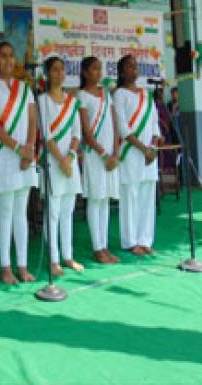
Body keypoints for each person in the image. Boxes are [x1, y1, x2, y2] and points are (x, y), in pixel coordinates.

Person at [0, 42, 39, 284]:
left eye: (11, 56)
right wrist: (19, 149)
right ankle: (6, 267)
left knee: (21, 213)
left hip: (25, 156)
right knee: (5, 212)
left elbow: (33, 121)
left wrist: (30, 150)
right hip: (4, 156)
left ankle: (23, 265)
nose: (8, 60)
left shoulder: (25, 89)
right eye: (3, 56)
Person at [38, 56, 84, 275]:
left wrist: (71, 157)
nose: (59, 74)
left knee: (68, 210)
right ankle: (53, 259)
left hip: (70, 162)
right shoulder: (42, 101)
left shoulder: (72, 102)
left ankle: (68, 256)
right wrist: (61, 160)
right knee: (53, 211)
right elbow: (47, 136)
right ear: (47, 74)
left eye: (62, 70)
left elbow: (77, 133)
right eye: (54, 70)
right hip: (53, 161)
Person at [114, 55, 162, 255]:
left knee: (146, 197)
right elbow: (122, 127)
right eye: (129, 66)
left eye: (135, 66)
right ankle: (131, 241)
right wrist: (144, 149)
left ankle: (145, 239)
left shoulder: (146, 95)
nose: (134, 69)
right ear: (122, 71)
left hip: (149, 154)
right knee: (130, 197)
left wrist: (155, 144)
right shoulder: (119, 95)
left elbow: (154, 123)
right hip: (131, 153)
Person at [77, 56, 120, 264]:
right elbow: (86, 132)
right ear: (85, 72)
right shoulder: (82, 96)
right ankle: (97, 247)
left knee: (105, 200)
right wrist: (104, 154)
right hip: (95, 156)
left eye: (99, 69)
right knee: (95, 199)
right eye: (94, 69)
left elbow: (114, 124)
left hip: (110, 156)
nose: (98, 72)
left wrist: (116, 153)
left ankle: (105, 246)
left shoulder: (105, 95)